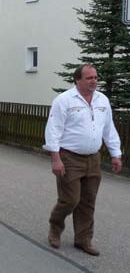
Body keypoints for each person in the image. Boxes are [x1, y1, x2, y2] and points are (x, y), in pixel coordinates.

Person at [44, 64, 122, 256]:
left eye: (95, 77)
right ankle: (55, 227)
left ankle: (83, 239)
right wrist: (56, 159)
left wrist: (115, 154)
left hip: (93, 158)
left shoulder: (102, 100)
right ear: (77, 80)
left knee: (88, 202)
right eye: (89, 78)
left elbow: (108, 129)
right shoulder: (64, 100)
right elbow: (53, 130)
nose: (94, 81)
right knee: (70, 200)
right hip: (69, 157)